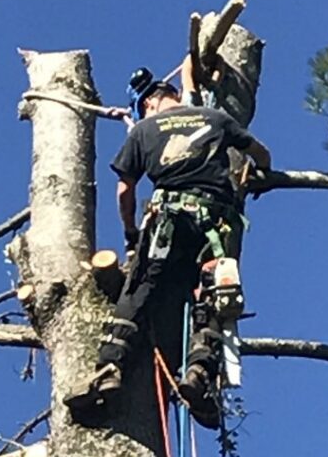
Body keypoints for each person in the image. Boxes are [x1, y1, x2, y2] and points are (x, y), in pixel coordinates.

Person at [64, 66, 271, 428]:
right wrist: (261, 174)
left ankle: (110, 368)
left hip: (167, 220)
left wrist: (130, 233)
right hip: (216, 223)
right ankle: (198, 372)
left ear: (148, 103)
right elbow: (259, 151)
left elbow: (125, 189)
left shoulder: (145, 129)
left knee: (141, 287)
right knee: (211, 294)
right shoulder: (215, 117)